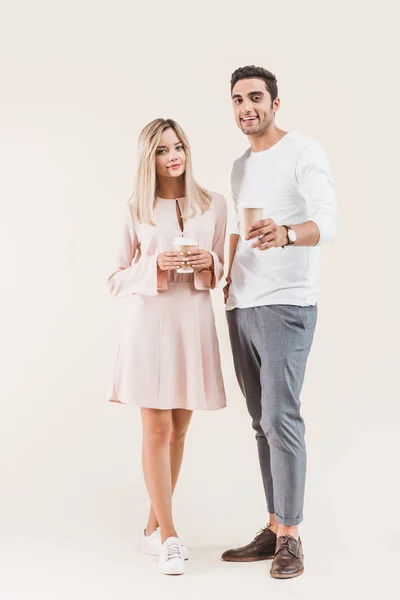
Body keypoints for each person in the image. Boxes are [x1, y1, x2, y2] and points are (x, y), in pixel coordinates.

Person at [221, 65, 339, 579]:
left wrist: (287, 234)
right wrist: (221, 276)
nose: (246, 107)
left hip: (286, 303)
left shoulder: (304, 151)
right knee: (259, 422)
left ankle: (291, 536)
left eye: (255, 98)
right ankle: (273, 526)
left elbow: (328, 221)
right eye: (237, 100)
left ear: (274, 102)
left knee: (280, 417)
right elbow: (233, 228)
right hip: (241, 304)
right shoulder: (240, 165)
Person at [107, 118, 227, 576]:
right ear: (149, 159)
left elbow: (221, 272)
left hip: (192, 327)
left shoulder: (214, 205)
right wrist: (155, 264)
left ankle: (152, 526)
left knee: (179, 432)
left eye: (177, 146)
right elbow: (116, 277)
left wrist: (208, 262)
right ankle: (171, 537)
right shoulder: (136, 208)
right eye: (162, 150)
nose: (173, 156)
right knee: (156, 431)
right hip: (149, 328)